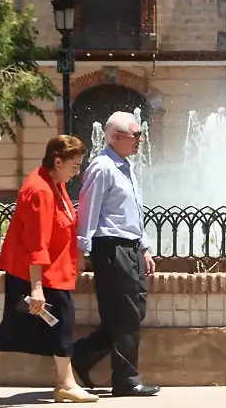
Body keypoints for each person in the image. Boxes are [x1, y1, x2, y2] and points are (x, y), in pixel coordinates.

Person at [0, 135, 99, 404]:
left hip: (50, 272)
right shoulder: (40, 191)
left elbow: (63, 225)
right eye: (74, 165)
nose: (77, 171)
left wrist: (76, 255)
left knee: (22, 325)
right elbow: (36, 244)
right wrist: (36, 289)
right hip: (37, 277)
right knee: (62, 322)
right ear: (57, 161)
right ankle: (66, 384)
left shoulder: (53, 183)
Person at [73, 111, 160, 397]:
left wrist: (144, 247)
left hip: (130, 247)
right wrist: (81, 251)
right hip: (111, 247)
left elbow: (133, 210)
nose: (140, 139)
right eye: (136, 135)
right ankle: (125, 380)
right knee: (126, 314)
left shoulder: (125, 165)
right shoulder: (103, 167)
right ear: (116, 136)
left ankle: (82, 354)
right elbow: (88, 209)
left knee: (131, 312)